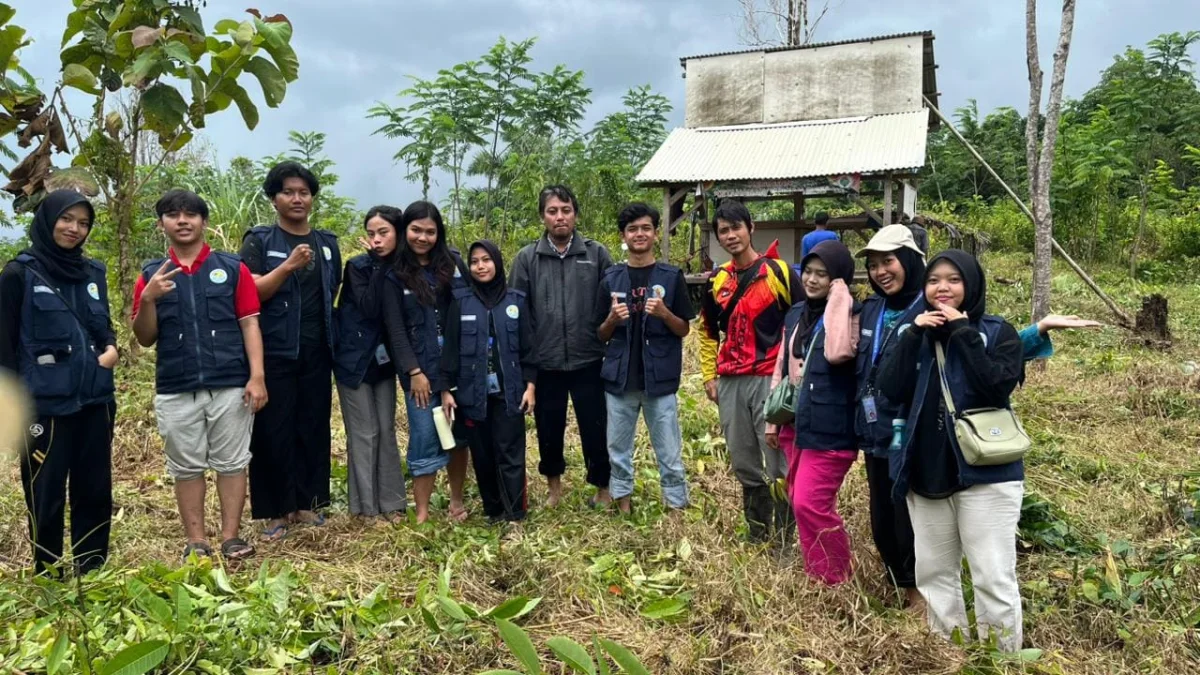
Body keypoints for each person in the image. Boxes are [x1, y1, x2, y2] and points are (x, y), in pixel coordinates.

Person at [877, 250, 1026, 652]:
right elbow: (888, 388)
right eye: (933, 280)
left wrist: (962, 333)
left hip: (986, 474)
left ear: (971, 285)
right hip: (925, 473)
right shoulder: (914, 331)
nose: (942, 288)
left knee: (992, 576)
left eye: (954, 280)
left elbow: (995, 385)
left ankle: (1000, 660)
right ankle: (950, 655)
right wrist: (912, 334)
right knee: (935, 576)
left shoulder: (998, 332)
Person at [132, 189, 266, 560]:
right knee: (186, 466)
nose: (183, 220)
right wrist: (148, 299)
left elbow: (249, 323)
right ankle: (196, 540)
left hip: (229, 384)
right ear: (162, 224)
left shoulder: (231, 267)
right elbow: (144, 338)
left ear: (204, 221)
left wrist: (257, 376)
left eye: (191, 214)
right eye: (173, 214)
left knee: (232, 462)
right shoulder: (150, 275)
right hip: (176, 387)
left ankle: (230, 537)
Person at [0, 190, 117, 574]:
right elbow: (4, 346)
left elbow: (103, 327)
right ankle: (48, 570)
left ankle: (92, 567)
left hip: (93, 399)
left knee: (95, 489)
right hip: (43, 405)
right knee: (45, 491)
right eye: (67, 219)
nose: (74, 229)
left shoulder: (93, 273)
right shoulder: (19, 274)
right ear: (48, 219)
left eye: (83, 223)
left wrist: (112, 348)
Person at [239, 161, 341, 540]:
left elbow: (332, 291)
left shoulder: (327, 244)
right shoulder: (261, 241)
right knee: (272, 430)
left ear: (312, 198)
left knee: (312, 426)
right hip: (274, 350)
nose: (297, 199)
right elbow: (249, 295)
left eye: (303, 192)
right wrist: (288, 267)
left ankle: (307, 504)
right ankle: (275, 510)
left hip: (317, 350)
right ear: (274, 199)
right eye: (288, 192)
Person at [699, 200, 803, 542]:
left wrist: (796, 373)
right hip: (730, 380)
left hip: (769, 379)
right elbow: (707, 331)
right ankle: (758, 533)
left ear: (751, 228)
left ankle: (786, 539)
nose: (731, 236)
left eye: (736, 228)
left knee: (777, 459)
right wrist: (709, 375)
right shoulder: (717, 280)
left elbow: (803, 320)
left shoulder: (779, 273)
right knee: (742, 458)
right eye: (724, 231)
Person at [510, 185, 614, 508]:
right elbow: (518, 314)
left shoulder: (596, 254)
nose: (559, 217)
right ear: (542, 216)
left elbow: (611, 302)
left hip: (589, 359)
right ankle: (554, 491)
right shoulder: (527, 259)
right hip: (546, 363)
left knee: (596, 428)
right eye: (552, 211)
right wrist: (526, 365)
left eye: (566, 210)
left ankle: (603, 489)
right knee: (548, 429)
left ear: (575, 214)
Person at [766, 241, 860, 583]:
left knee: (810, 502)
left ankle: (835, 577)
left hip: (831, 425)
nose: (812, 279)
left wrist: (839, 297)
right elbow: (782, 363)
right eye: (808, 272)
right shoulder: (796, 313)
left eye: (824, 274)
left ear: (839, 279)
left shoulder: (850, 313)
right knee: (799, 498)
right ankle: (817, 572)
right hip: (795, 420)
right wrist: (772, 421)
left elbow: (837, 352)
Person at [596, 203, 693, 515]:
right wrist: (611, 319)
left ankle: (676, 506)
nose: (640, 234)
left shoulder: (672, 276)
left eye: (645, 228)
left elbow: (684, 329)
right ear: (624, 236)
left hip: (659, 380)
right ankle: (622, 502)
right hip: (620, 380)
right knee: (618, 449)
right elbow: (599, 334)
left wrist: (665, 314)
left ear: (654, 232)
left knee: (669, 449)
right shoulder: (611, 278)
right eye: (633, 229)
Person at [380, 200, 470, 524]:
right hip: (420, 373)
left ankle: (456, 502)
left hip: (456, 368)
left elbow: (466, 312)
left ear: (439, 234)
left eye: (430, 232)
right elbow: (395, 329)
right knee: (424, 438)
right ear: (406, 231)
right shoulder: (394, 275)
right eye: (416, 230)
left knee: (458, 437)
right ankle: (421, 513)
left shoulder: (453, 265)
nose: (423, 237)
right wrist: (413, 371)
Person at [853, 225, 927, 606]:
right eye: (874, 265)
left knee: (910, 514)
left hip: (915, 432)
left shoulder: (931, 306)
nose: (881, 271)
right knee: (881, 515)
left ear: (911, 261)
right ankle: (898, 582)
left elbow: (983, 337)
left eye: (889, 261)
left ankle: (919, 592)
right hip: (874, 429)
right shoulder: (871, 309)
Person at [439, 240, 537, 523]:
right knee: (482, 455)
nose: (480, 266)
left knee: (510, 453)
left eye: (486, 260)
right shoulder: (461, 302)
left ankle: (515, 514)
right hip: (472, 394)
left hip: (511, 393)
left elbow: (529, 349)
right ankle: (494, 511)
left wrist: (531, 386)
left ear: (497, 262)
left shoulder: (516, 300)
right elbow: (451, 351)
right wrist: (446, 390)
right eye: (474, 262)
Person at [333, 206, 406, 523]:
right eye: (372, 233)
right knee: (364, 433)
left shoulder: (405, 266)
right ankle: (365, 509)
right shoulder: (359, 266)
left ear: (398, 234)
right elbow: (369, 306)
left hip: (384, 362)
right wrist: (379, 265)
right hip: (354, 360)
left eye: (384, 233)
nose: (376, 240)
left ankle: (393, 503)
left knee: (386, 431)